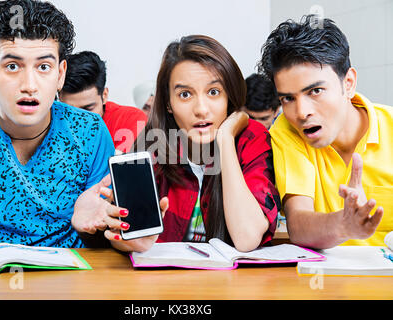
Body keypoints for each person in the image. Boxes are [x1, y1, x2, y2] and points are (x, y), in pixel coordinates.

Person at [82, 35, 280, 253]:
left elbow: (247, 237)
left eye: (214, 92)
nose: (201, 109)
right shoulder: (152, 144)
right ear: (168, 103)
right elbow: (129, 234)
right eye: (185, 94)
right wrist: (126, 239)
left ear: (229, 96)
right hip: (166, 283)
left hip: (232, 284)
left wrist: (225, 139)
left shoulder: (252, 139)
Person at [0, 0, 116, 248]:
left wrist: (92, 230)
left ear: (60, 74)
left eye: (43, 67)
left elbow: (105, 236)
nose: (29, 85)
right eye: (13, 66)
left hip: (69, 279)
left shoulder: (90, 131)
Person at [258, 14, 393, 248]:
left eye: (315, 91)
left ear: (348, 83)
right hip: (325, 281)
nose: (301, 112)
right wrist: (344, 224)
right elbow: (298, 226)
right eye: (288, 98)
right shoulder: (286, 131)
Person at [60, 51, 148, 153]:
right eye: (70, 111)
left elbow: (119, 165)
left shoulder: (131, 119)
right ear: (59, 99)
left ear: (104, 95)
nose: (79, 119)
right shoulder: (48, 125)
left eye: (88, 109)